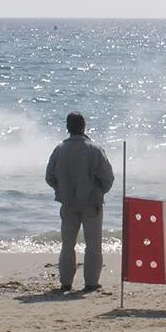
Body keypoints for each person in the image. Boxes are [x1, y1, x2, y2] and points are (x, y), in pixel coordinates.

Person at [45, 112, 115, 294]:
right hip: (91, 202)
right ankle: (91, 283)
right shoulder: (94, 149)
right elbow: (108, 177)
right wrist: (100, 191)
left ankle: (66, 282)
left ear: (68, 128)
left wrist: (60, 190)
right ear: (84, 126)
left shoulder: (59, 149)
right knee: (93, 244)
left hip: (68, 202)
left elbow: (50, 177)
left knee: (67, 244)